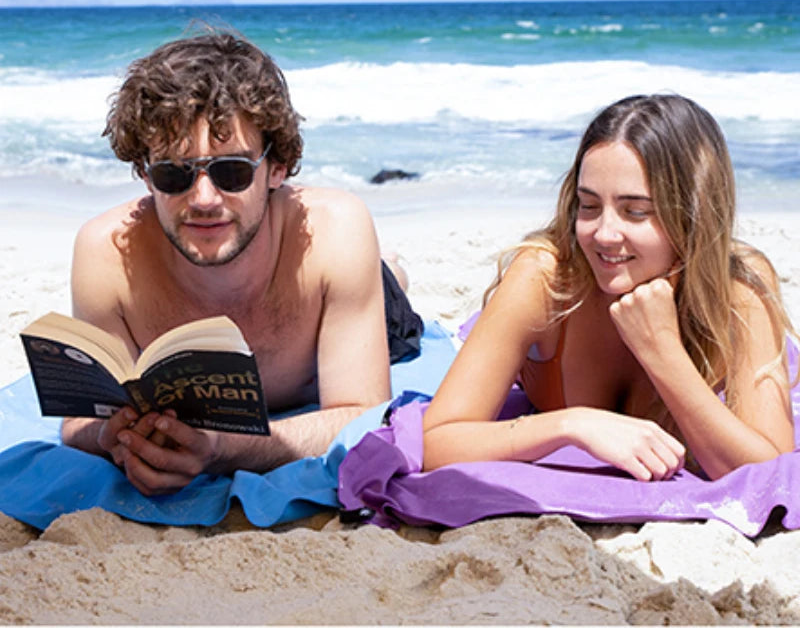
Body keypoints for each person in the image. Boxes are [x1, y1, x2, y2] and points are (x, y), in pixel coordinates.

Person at [62, 30, 421, 495]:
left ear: (277, 167)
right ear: (145, 176)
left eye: (232, 171)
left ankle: (389, 270)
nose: (205, 199)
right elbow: (79, 422)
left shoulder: (336, 231)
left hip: (349, 295)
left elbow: (362, 412)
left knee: (386, 285)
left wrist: (227, 447)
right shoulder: (106, 253)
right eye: (174, 175)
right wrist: (111, 437)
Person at [423, 94, 795, 481]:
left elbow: (771, 475)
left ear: (694, 215)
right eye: (588, 206)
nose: (603, 233)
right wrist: (573, 425)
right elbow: (435, 442)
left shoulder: (738, 286)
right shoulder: (546, 278)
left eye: (636, 211)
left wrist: (662, 350)